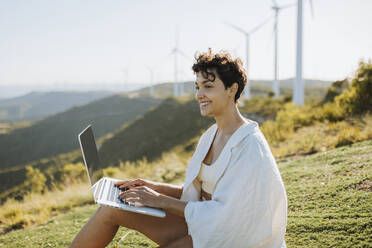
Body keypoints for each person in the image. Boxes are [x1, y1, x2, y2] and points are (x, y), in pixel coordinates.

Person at [69, 49, 287, 248]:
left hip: (230, 238)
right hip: (203, 224)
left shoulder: (250, 148)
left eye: (208, 86)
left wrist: (159, 200)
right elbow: (198, 193)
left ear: (232, 89)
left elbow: (230, 219)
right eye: (198, 87)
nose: (199, 94)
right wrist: (153, 187)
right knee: (111, 209)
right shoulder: (211, 135)